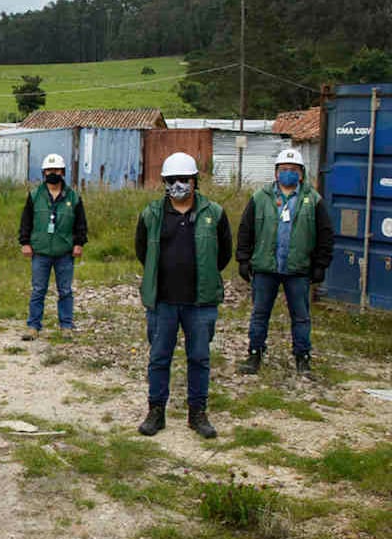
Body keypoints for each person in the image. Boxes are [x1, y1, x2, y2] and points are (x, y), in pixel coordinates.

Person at [134, 153, 231, 440]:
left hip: (200, 303)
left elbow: (223, 254)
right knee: (159, 358)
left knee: (199, 358)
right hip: (162, 302)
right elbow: (143, 251)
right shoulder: (151, 214)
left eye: (184, 179)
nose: (178, 185)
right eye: (172, 180)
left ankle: (197, 413)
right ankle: (156, 411)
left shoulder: (214, 213)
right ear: (164, 182)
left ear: (195, 181)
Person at [235, 148, 334, 376]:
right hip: (265, 267)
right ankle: (254, 354)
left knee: (301, 317)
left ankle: (302, 357)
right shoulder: (260, 198)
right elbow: (246, 230)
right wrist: (243, 259)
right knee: (260, 314)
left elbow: (325, 234)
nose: (288, 173)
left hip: (298, 269)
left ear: (301, 173)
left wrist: (320, 264)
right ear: (276, 172)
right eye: (283, 169)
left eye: (293, 170)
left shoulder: (313, 200)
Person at [18, 153, 87, 339]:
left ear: (62, 172)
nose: (52, 173)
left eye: (56, 170)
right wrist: (25, 242)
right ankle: (33, 327)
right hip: (40, 251)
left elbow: (81, 222)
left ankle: (66, 326)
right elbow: (26, 221)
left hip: (64, 251)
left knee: (65, 291)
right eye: (49, 170)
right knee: (38, 290)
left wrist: (79, 243)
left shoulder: (73, 196)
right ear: (44, 173)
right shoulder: (35, 195)